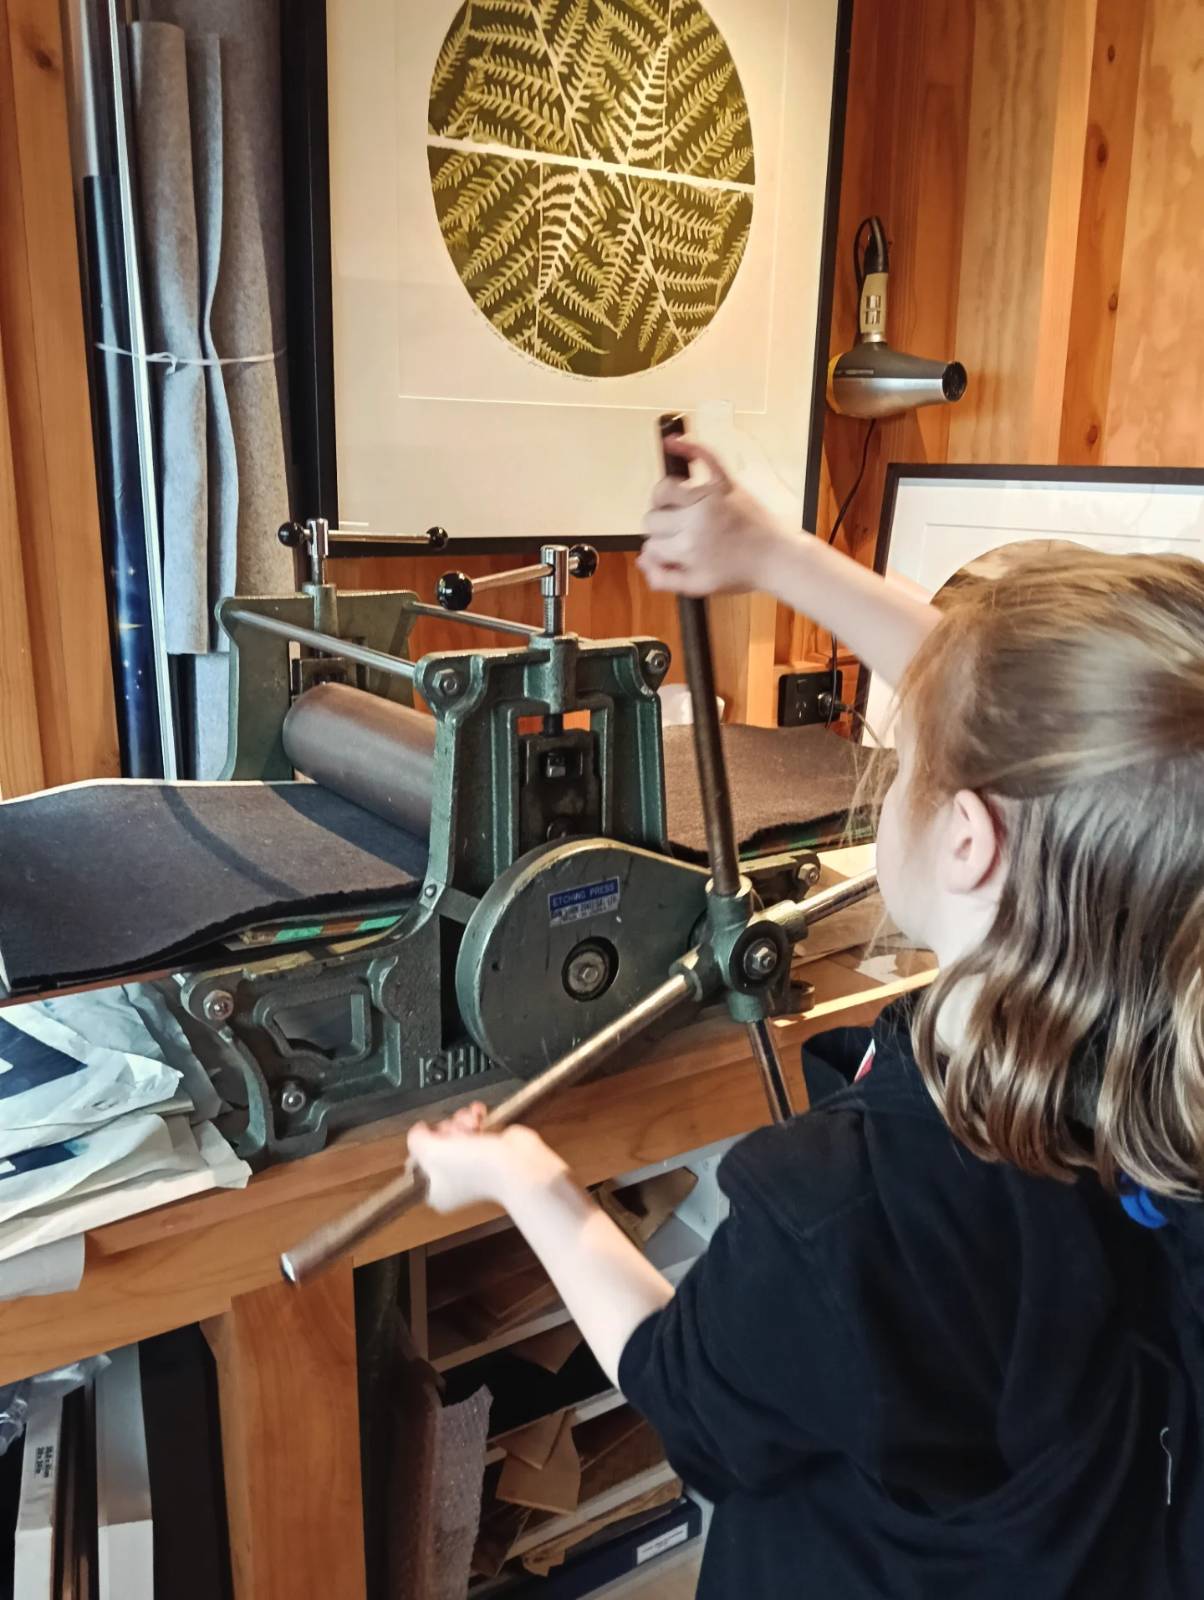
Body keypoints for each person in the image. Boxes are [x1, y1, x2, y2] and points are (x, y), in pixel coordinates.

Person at [409, 437, 1204, 1597]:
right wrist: (772, 555)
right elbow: (1079, 740)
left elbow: (677, 1386)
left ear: (968, 838)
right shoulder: (1163, 1090)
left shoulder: (843, 1211)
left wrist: (530, 1183)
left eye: (904, 753)